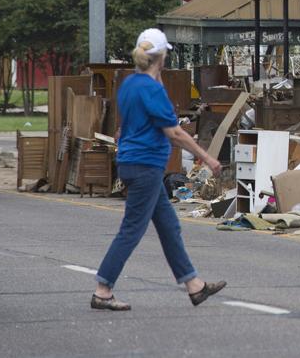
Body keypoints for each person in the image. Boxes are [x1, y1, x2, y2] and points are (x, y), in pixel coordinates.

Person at [91, 28, 226, 311]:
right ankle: (103, 289)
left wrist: (157, 74)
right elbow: (175, 133)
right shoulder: (153, 90)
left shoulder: (129, 84)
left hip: (131, 162)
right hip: (146, 167)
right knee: (131, 230)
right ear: (162, 57)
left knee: (168, 225)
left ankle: (194, 286)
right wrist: (207, 157)